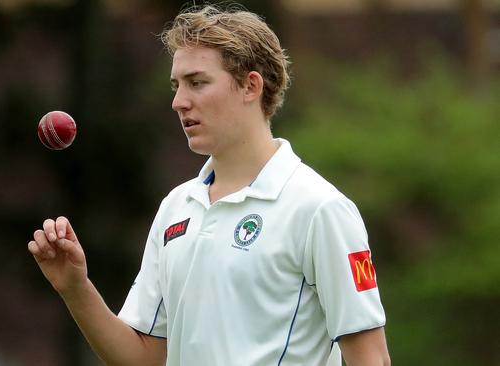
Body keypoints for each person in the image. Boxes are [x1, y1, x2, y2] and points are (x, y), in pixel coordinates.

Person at [28, 4, 391, 366]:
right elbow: (145, 359)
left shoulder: (319, 209)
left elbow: (371, 359)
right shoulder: (176, 206)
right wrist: (75, 289)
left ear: (250, 86)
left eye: (197, 83)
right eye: (176, 85)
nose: (178, 102)